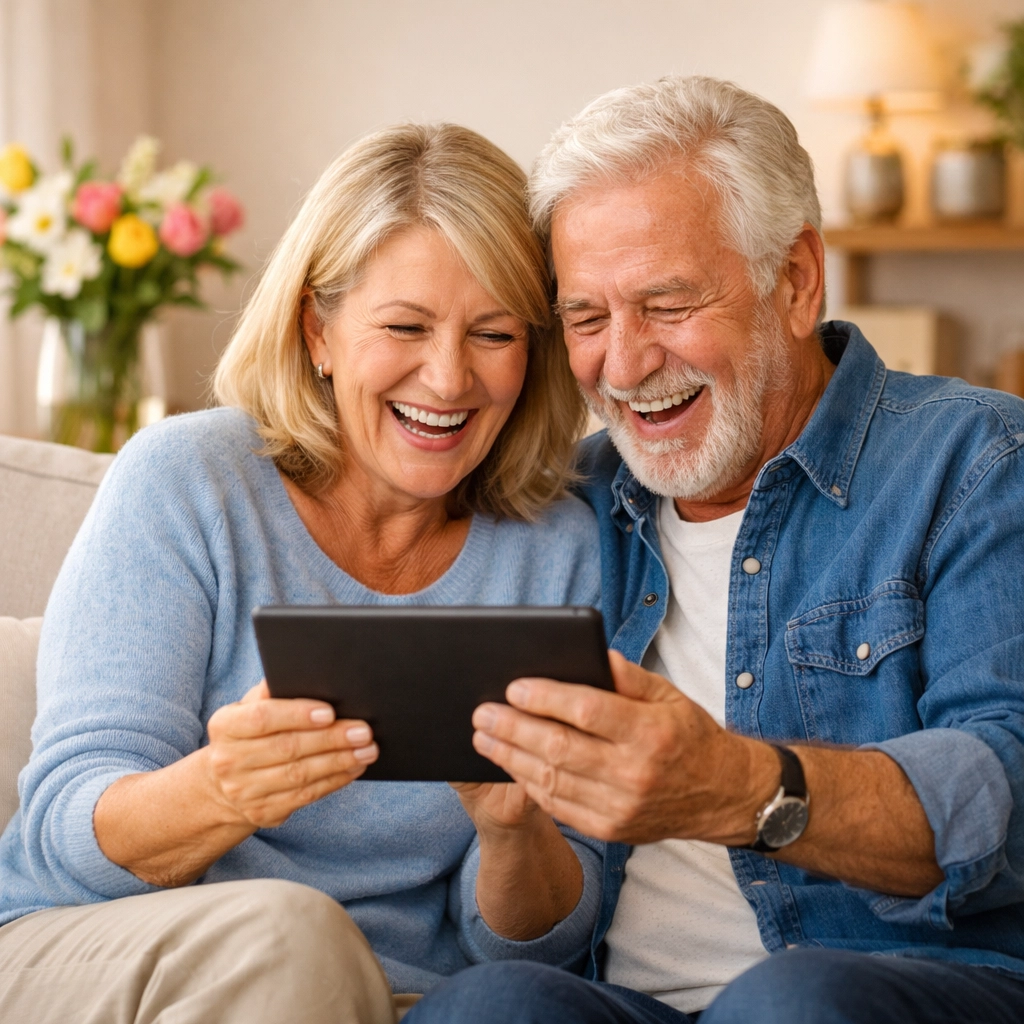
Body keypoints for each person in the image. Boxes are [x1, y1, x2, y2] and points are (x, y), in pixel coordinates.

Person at [404, 77, 1024, 1024]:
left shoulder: (975, 464)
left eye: (667, 303)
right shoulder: (570, 507)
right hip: (630, 1003)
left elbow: (1009, 792)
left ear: (797, 281)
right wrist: (513, 833)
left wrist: (742, 790)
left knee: (794, 1002)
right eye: (586, 319)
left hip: (911, 983)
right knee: (490, 1005)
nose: (624, 363)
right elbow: (531, 938)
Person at [0, 123, 604, 1024]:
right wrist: (220, 788)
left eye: (494, 333)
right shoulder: (190, 481)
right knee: (295, 935)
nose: (448, 378)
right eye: (404, 326)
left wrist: (514, 829)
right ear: (317, 328)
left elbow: (538, 945)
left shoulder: (559, 546)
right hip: (112, 943)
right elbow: (61, 841)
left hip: (406, 997)